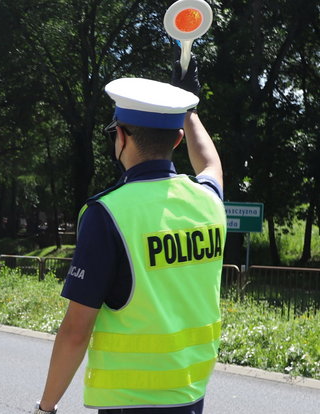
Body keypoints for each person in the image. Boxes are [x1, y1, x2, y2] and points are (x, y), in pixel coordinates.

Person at [34, 55, 226, 414]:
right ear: (178, 139)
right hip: (191, 393)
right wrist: (190, 107)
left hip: (131, 402)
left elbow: (77, 329)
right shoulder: (209, 201)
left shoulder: (107, 213)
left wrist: (46, 408)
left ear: (120, 136)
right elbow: (211, 164)